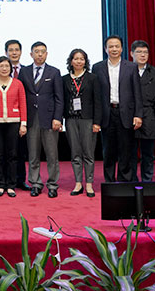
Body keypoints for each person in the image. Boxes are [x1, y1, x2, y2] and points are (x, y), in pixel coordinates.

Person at [93, 35, 143, 183]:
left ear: (122, 49)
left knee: (125, 150)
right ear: (105, 49)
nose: (114, 49)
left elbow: (137, 93)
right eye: (111, 46)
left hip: (126, 113)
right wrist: (96, 119)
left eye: (117, 46)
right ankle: (109, 182)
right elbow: (96, 95)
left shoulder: (131, 67)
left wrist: (138, 115)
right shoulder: (97, 67)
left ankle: (124, 181)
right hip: (107, 113)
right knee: (108, 151)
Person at [18, 42, 64, 198]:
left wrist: (58, 118)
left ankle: (52, 185)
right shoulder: (24, 71)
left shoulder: (54, 72)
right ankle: (35, 184)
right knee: (33, 154)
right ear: (31, 54)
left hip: (49, 118)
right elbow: (21, 96)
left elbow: (59, 98)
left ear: (47, 54)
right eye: (36, 51)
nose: (39, 54)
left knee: (52, 154)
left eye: (42, 51)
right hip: (31, 118)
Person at [62, 49, 102, 198]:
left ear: (85, 61)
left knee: (88, 153)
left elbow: (98, 101)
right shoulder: (64, 79)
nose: (79, 61)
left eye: (82, 59)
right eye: (76, 58)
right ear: (71, 61)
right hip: (71, 120)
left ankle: (89, 183)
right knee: (75, 153)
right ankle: (78, 183)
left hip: (88, 120)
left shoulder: (93, 78)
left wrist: (97, 122)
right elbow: (62, 100)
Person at [130, 40, 155, 182]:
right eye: (139, 52)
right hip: (130, 115)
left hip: (150, 115)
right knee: (130, 152)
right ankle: (132, 180)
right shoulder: (126, 70)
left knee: (148, 153)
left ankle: (147, 180)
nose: (142, 55)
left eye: (145, 52)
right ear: (132, 54)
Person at [0, 56, 27, 198]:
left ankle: (11, 185)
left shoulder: (17, 83)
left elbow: (23, 104)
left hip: (14, 122)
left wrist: (23, 124)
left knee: (12, 155)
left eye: (7, 66)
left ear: (11, 68)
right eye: (1, 66)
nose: (4, 69)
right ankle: (0, 185)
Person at [5, 39, 32, 192]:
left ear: (21, 52)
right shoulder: (0, 70)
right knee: (6, 151)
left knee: (21, 150)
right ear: (6, 52)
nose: (14, 53)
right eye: (11, 50)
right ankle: (7, 180)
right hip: (4, 117)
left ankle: (20, 180)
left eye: (16, 50)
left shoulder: (27, 71)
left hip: (22, 115)